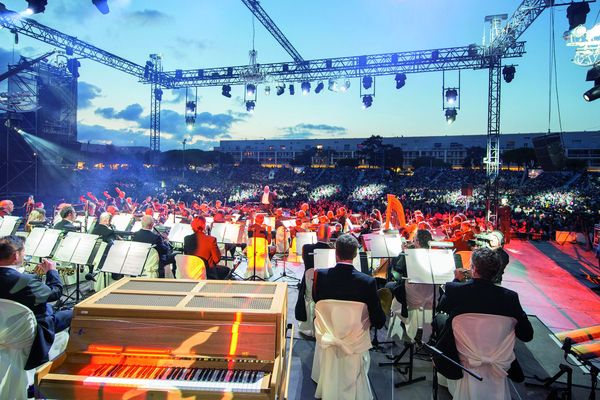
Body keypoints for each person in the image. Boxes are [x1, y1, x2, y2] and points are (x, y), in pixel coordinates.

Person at [434, 247, 533, 380]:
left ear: (473, 268)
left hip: (464, 353)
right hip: (497, 356)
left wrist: (457, 280)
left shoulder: (456, 290)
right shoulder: (510, 298)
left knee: (440, 319)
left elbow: (441, 306)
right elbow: (527, 335)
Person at [0, 235, 72, 369]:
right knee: (74, 313)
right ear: (16, 256)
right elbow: (55, 293)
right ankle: (60, 367)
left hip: (4, 329)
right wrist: (52, 272)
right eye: (23, 253)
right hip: (31, 331)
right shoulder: (25, 281)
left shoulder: (25, 280)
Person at [313, 234, 386, 329]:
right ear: (355, 254)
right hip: (355, 337)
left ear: (336, 252)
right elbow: (378, 321)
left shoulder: (320, 275)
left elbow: (317, 301)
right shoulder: (368, 282)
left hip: (327, 331)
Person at [295, 224, 334, 323]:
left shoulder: (306, 248)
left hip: (309, 281)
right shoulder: (332, 250)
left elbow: (305, 262)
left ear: (316, 234)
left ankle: (308, 325)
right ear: (329, 235)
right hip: (327, 283)